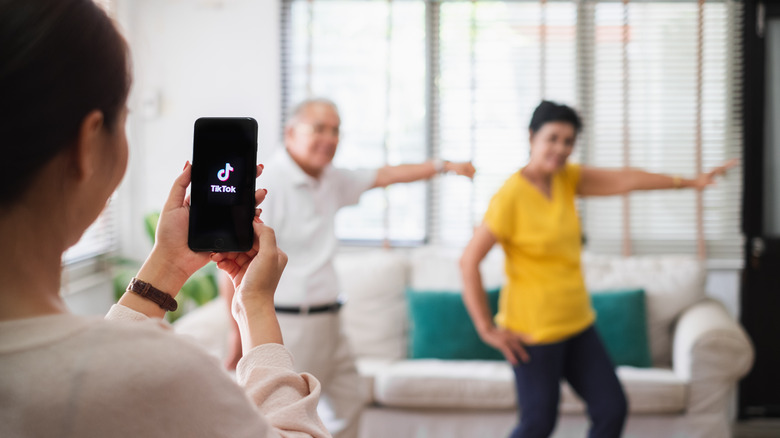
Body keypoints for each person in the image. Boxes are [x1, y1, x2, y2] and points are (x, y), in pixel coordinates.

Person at [0, 1, 329, 437]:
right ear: (88, 143)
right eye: (125, 120)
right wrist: (256, 309)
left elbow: (97, 363)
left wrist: (167, 265)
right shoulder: (162, 374)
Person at [459, 100, 737, 438]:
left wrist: (689, 182)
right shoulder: (509, 198)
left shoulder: (566, 179)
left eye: (568, 141)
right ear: (532, 136)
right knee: (537, 424)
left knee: (611, 409)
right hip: (534, 332)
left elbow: (626, 179)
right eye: (553, 138)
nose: (561, 148)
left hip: (577, 324)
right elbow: (468, 261)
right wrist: (486, 328)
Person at [218, 98, 476, 438]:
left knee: (350, 402)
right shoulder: (269, 184)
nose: (330, 138)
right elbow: (231, 262)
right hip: (289, 324)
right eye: (320, 128)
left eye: (336, 130)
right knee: (281, 418)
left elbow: (385, 175)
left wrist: (444, 166)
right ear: (291, 132)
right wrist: (238, 332)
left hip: (331, 321)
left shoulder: (331, 179)